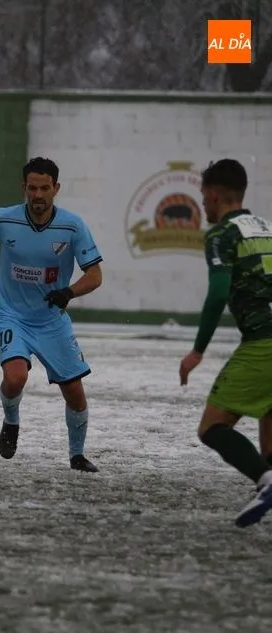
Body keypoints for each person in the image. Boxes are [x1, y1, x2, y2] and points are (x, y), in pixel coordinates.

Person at [0, 157, 103, 473]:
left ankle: (77, 455)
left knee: (75, 394)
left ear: (56, 188)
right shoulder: (3, 219)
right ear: (23, 188)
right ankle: (11, 420)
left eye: (44, 188)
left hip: (52, 319)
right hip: (12, 315)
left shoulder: (72, 226)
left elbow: (95, 275)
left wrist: (68, 292)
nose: (37, 195)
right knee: (15, 378)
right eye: (32, 188)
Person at [178, 159, 272, 527]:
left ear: (215, 194)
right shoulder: (266, 229)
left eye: (203, 196)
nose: (202, 204)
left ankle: (266, 482)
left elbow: (218, 294)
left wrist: (197, 350)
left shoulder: (222, 236)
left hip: (263, 342)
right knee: (268, 433)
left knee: (212, 427)